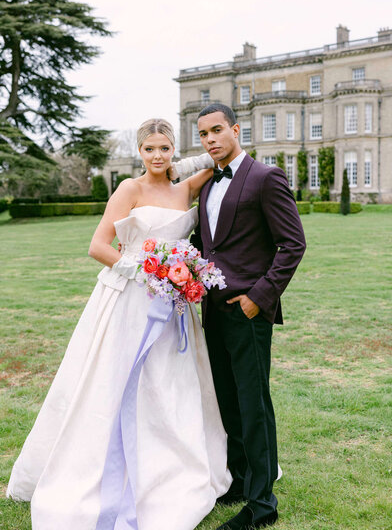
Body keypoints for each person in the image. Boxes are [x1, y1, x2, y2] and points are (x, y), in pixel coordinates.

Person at [7, 118, 232, 530]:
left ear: (173, 151)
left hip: (174, 307)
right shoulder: (130, 189)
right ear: (140, 151)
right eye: (150, 149)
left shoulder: (187, 187)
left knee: (170, 384)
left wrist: (182, 166)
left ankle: (173, 463)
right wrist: (149, 273)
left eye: (165, 149)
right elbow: (97, 246)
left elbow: (224, 158)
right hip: (129, 299)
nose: (158, 157)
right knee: (113, 381)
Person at [191, 103, 307, 530]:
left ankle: (262, 503)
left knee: (254, 403)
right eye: (203, 134)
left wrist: (259, 297)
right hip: (212, 311)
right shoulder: (206, 183)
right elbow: (206, 244)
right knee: (228, 401)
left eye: (217, 130)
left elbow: (293, 244)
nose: (211, 140)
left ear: (236, 129)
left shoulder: (264, 177)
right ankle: (239, 482)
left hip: (248, 310)